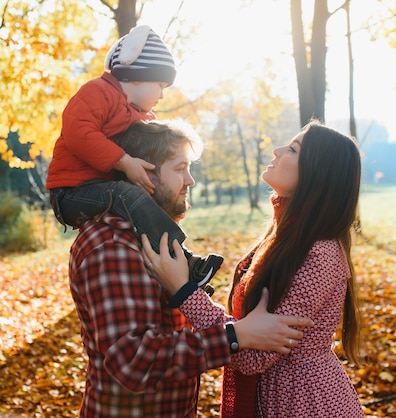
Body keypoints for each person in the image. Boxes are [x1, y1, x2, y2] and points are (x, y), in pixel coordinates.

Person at [68, 119, 314, 417]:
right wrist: (235, 336)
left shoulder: (146, 234)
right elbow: (134, 361)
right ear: (142, 172)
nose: (190, 180)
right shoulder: (113, 246)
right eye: (179, 168)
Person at [142, 119, 365, 417]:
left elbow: (251, 357)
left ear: (317, 173)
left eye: (293, 149)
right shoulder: (286, 235)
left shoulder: (319, 254)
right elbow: (247, 330)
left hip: (302, 404)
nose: (277, 150)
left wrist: (185, 292)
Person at [47, 24, 223, 291]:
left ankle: (181, 282)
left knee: (136, 212)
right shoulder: (98, 92)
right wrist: (125, 162)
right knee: (127, 195)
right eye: (160, 85)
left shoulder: (136, 113)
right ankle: (185, 261)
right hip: (71, 192)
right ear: (138, 76)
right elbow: (77, 131)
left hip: (97, 187)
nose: (163, 95)